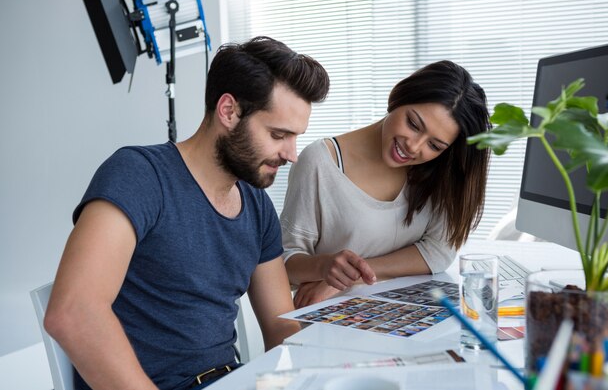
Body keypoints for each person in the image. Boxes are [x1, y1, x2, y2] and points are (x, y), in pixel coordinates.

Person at [44, 36, 330, 390]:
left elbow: (279, 325)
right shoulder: (139, 176)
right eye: (278, 135)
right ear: (229, 111)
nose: (292, 154)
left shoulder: (256, 205)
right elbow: (72, 314)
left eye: (295, 137)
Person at [280, 60, 490, 308]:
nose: (414, 146)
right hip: (329, 323)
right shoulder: (319, 162)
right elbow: (284, 264)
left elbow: (439, 251)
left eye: (434, 145)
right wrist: (324, 268)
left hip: (403, 319)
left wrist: (355, 276)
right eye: (413, 124)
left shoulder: (438, 171)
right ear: (399, 97)